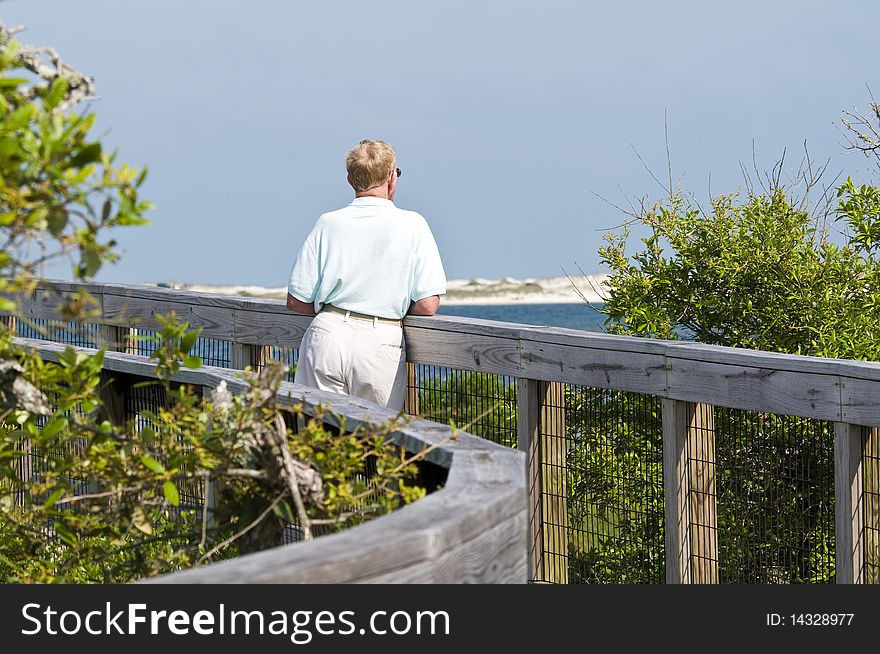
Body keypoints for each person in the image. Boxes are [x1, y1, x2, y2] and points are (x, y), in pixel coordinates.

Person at [285, 139, 446, 411]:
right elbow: (427, 304)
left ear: (350, 179)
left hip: (328, 334)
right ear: (391, 176)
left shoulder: (328, 223)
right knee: (375, 439)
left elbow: (296, 301)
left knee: (320, 437)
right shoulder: (413, 225)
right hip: (380, 339)